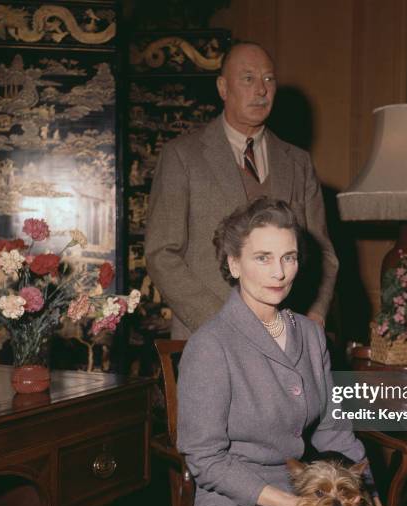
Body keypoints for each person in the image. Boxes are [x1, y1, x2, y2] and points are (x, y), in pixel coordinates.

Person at [177, 198, 407, 506]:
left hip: (309, 487)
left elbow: (334, 431)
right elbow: (204, 459)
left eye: (289, 258)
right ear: (234, 264)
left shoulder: (309, 335)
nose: (279, 272)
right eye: (263, 257)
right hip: (236, 504)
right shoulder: (210, 345)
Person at [145, 41, 338, 339]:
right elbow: (161, 254)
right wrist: (225, 324)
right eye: (248, 79)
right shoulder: (181, 157)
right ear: (223, 88)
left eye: (269, 79)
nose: (261, 89)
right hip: (210, 338)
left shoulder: (298, 162)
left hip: (288, 341)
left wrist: (316, 314)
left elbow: (322, 252)